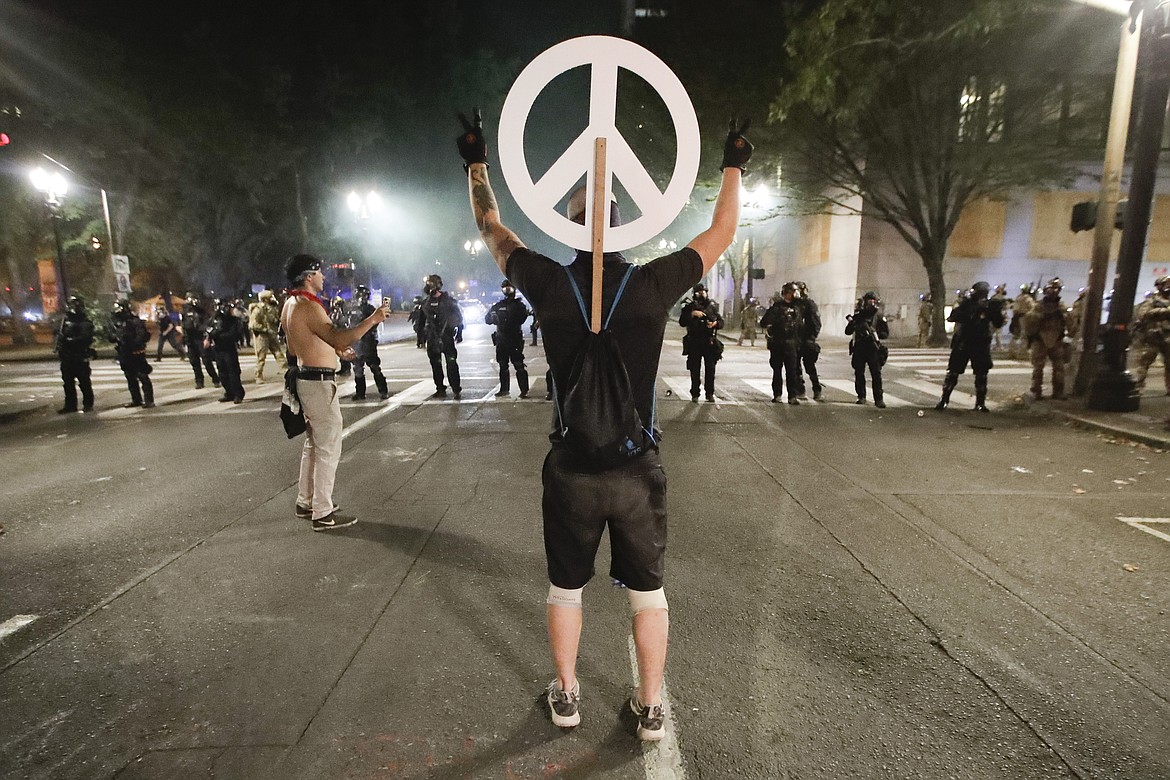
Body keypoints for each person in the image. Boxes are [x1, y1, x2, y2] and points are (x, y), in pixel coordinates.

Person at [459, 109, 750, 740]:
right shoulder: (652, 283)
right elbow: (722, 231)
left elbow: (491, 228)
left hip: (572, 469)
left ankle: (566, 697)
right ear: (626, 224)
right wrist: (734, 160)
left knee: (566, 588)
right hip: (637, 469)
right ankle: (649, 707)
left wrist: (476, 163)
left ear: (564, 222)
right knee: (648, 594)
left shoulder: (544, 280)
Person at [281, 254, 389, 531]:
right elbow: (339, 335)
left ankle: (306, 502)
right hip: (317, 383)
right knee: (328, 447)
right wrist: (373, 319)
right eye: (319, 272)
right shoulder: (308, 306)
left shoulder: (290, 305)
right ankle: (322, 512)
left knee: (314, 445)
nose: (323, 277)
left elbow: (295, 348)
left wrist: (334, 351)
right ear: (308, 276)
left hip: (305, 379)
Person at [935, 281, 1006, 412]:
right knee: (953, 372)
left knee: (981, 373)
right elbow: (953, 317)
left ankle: (980, 403)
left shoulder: (990, 305)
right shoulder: (967, 303)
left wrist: (993, 311)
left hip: (981, 342)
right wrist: (973, 311)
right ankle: (944, 399)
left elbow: (998, 322)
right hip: (965, 340)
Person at [1023, 278, 1069, 400]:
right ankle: (1036, 390)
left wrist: (1063, 315)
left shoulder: (1061, 306)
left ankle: (1058, 390)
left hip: (1057, 338)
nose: (1053, 292)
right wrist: (1041, 317)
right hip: (1040, 339)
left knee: (1059, 366)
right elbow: (1029, 321)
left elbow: (1070, 322)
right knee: (1038, 366)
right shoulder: (1039, 306)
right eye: (1051, 289)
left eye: (1056, 289)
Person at [678, 283, 724, 402]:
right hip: (694, 341)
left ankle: (709, 393)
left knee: (710, 368)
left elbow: (721, 321)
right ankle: (695, 393)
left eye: (703, 292)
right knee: (694, 369)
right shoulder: (689, 307)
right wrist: (692, 314)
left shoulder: (711, 307)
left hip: (709, 342)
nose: (701, 294)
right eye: (699, 292)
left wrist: (714, 324)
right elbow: (682, 322)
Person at [486, 279, 531, 398]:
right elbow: (487, 319)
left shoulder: (518, 305)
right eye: (505, 289)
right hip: (501, 339)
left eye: (509, 288)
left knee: (518, 365)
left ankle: (524, 390)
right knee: (502, 365)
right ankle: (504, 389)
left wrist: (508, 319)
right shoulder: (499, 305)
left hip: (514, 339)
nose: (507, 291)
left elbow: (521, 318)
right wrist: (492, 317)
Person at [421, 274, 464, 399]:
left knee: (451, 363)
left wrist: (459, 333)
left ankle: (456, 388)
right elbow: (421, 321)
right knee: (436, 364)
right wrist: (421, 338)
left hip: (446, 337)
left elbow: (458, 318)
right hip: (432, 338)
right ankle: (440, 388)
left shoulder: (448, 301)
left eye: (431, 284)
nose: (429, 287)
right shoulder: (426, 303)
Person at [845, 291, 889, 407]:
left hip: (873, 348)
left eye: (874, 301)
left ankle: (878, 399)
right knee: (859, 372)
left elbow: (885, 333)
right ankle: (861, 396)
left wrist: (875, 333)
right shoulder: (859, 316)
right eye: (869, 301)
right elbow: (848, 331)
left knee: (876, 373)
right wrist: (855, 324)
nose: (871, 304)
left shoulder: (878, 317)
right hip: (860, 347)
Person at [760, 285, 802, 404]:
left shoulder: (798, 307)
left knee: (792, 372)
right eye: (793, 292)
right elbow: (764, 322)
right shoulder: (777, 307)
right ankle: (777, 394)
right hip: (778, 344)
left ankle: (792, 396)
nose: (795, 294)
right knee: (777, 371)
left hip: (792, 344)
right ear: (786, 293)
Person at [109, 298, 154, 409]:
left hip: (136, 353)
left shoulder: (135, 321)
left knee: (142, 376)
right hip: (124, 353)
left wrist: (133, 343)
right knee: (130, 378)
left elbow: (141, 335)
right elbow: (111, 336)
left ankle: (149, 400)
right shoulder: (117, 322)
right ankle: (136, 399)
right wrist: (116, 337)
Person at [55, 294, 96, 414]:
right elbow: (60, 335)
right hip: (67, 357)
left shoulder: (85, 322)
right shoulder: (65, 321)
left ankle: (88, 404)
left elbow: (85, 338)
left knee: (84, 382)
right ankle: (70, 405)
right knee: (68, 383)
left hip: (79, 356)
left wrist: (71, 340)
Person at [349, 284, 390, 401]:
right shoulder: (353, 309)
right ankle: (360, 393)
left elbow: (375, 322)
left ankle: (383, 390)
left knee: (374, 366)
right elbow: (349, 324)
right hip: (357, 342)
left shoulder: (370, 309)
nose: (361, 298)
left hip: (368, 341)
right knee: (358, 368)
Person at [1131, 275, 1170, 394]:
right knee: (1144, 362)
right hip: (1153, 337)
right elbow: (1144, 314)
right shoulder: (1152, 300)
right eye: (1167, 284)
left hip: (1168, 337)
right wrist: (1165, 311)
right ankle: (1138, 386)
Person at [206, 298, 246, 404]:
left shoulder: (232, 320)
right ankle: (229, 393)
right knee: (222, 372)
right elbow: (207, 329)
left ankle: (238, 394)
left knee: (233, 371)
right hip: (218, 348)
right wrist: (208, 338)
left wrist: (218, 335)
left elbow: (234, 334)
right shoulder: (214, 319)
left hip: (228, 348)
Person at [181, 292, 219, 389]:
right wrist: (184, 342)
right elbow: (183, 328)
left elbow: (207, 326)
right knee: (194, 362)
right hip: (190, 340)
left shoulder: (202, 312)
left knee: (207, 361)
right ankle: (199, 381)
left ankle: (215, 379)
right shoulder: (184, 312)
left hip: (200, 339)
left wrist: (207, 338)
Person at [248, 289, 287, 383]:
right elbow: (253, 324)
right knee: (261, 357)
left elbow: (275, 320)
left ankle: (286, 371)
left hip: (271, 334)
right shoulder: (258, 309)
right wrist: (265, 329)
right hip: (262, 336)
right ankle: (258, 375)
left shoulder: (272, 308)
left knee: (278, 353)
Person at [793, 281, 822, 401]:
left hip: (806, 340)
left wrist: (811, 338)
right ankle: (800, 390)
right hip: (794, 339)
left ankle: (816, 388)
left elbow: (816, 323)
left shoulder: (809, 304)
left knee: (810, 366)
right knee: (795, 367)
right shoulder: (792, 304)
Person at [1008, 284, 1036, 359]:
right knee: (1024, 335)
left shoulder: (1018, 298)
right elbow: (1033, 308)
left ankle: (1012, 351)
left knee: (1015, 335)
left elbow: (1014, 308)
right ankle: (1022, 352)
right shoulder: (1028, 299)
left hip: (1016, 317)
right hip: (1024, 317)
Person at [330, 297, 353, 376]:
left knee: (344, 352)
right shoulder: (337, 312)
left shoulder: (341, 312)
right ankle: (344, 369)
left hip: (342, 334)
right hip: (339, 333)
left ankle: (346, 369)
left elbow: (339, 321)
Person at [990, 283, 1010, 351]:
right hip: (999, 317)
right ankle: (999, 346)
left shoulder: (993, 297)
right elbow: (1006, 307)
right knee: (998, 333)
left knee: (993, 332)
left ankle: (995, 345)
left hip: (993, 317)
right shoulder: (1002, 298)